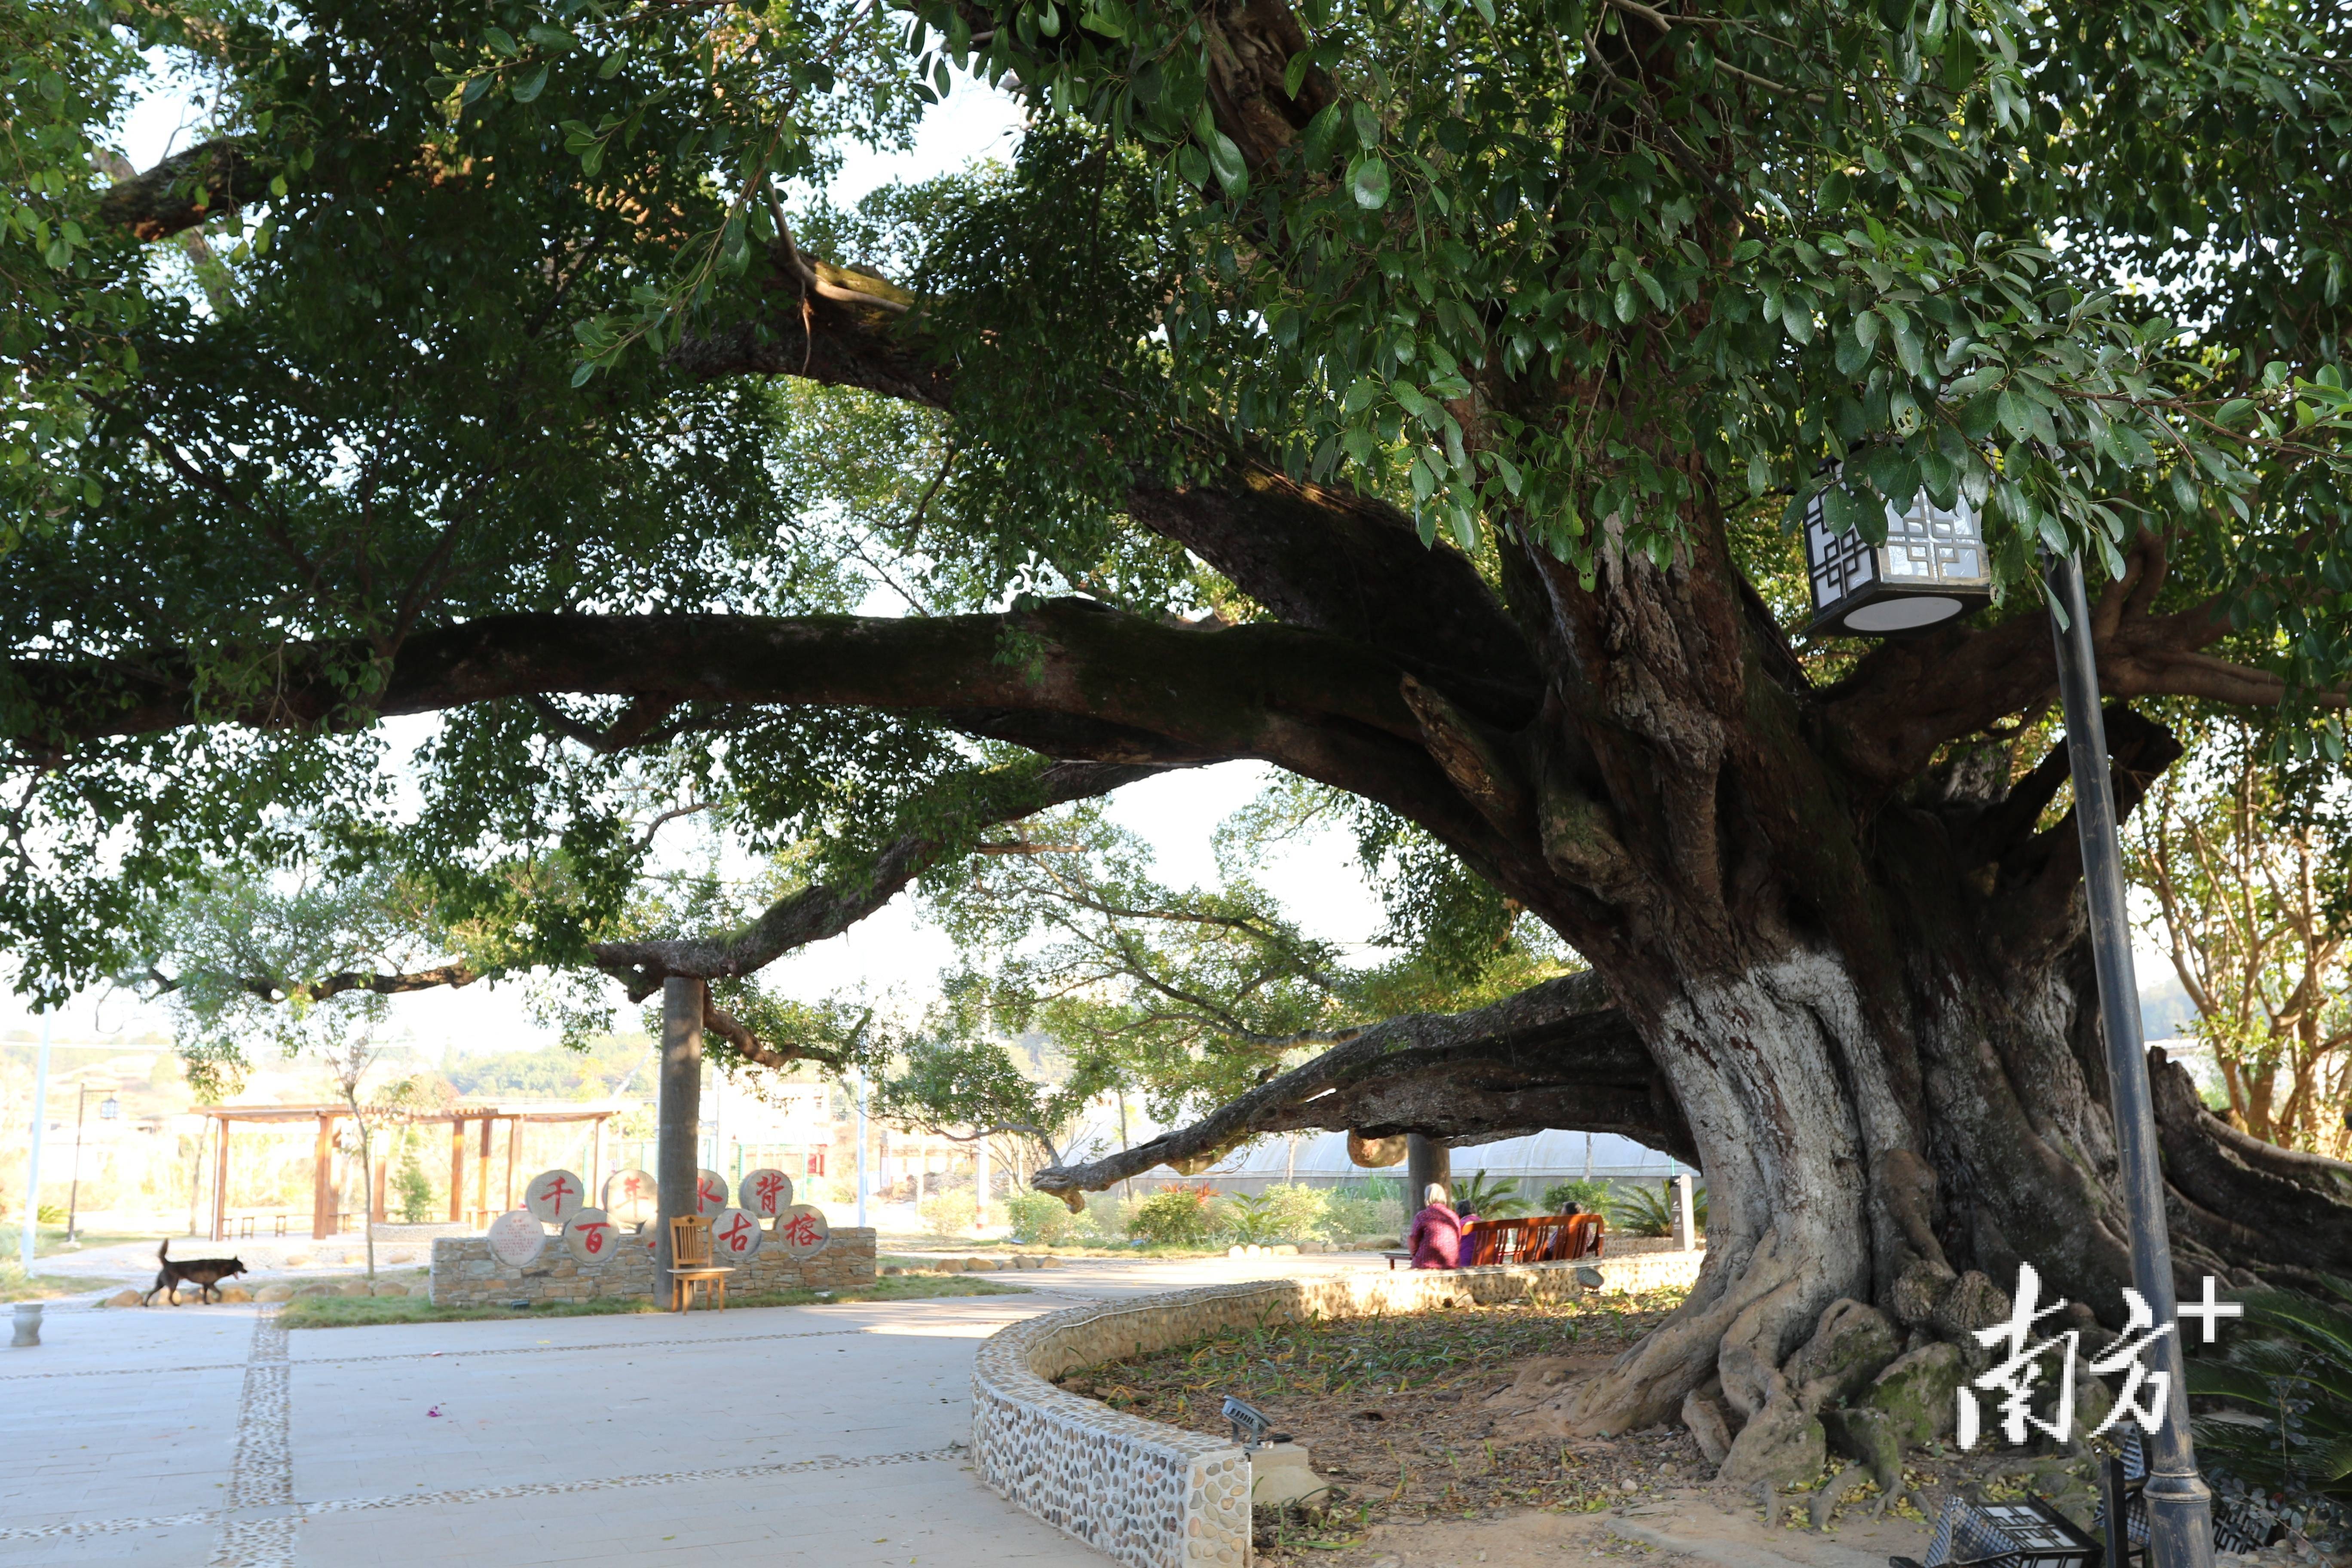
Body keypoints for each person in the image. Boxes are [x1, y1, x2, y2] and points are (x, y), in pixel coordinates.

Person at [1407, 1183, 1463, 1269]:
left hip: (1426, 1263)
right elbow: (1458, 1238)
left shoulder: (1422, 1216)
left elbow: (1414, 1241)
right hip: (1452, 1263)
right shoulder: (1454, 1216)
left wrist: (1415, 1256)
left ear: (1427, 1198)